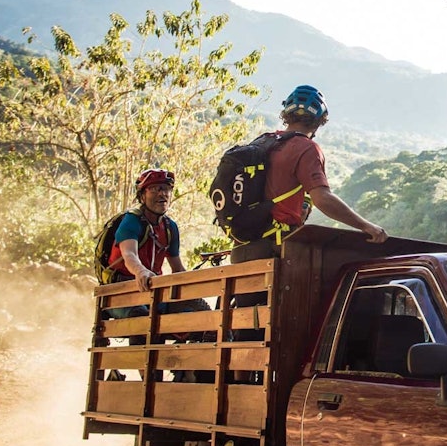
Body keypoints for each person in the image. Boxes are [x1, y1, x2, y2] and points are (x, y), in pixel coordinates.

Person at [231, 84, 388, 262]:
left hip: (242, 249)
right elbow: (323, 199)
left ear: (286, 114)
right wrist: (366, 226)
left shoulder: (263, 142)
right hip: (276, 248)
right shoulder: (306, 148)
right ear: (320, 120)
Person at [105, 168, 210, 343]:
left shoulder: (170, 227)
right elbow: (129, 254)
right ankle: (148, 370)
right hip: (121, 293)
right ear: (142, 196)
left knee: (199, 315)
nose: (162, 194)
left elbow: (177, 269)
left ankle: (185, 366)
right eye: (154, 189)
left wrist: (198, 285)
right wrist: (141, 272)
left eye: (166, 189)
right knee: (142, 319)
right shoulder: (131, 221)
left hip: (154, 292)